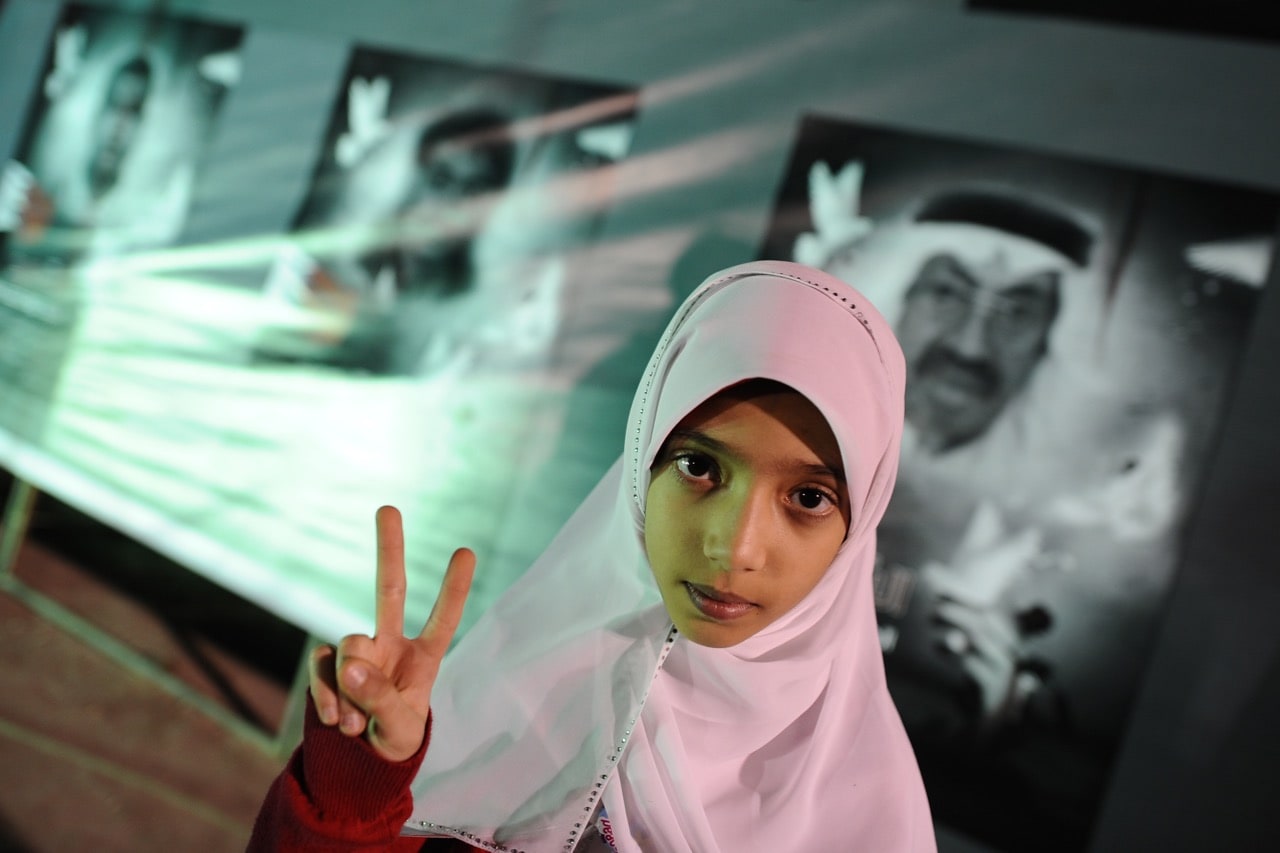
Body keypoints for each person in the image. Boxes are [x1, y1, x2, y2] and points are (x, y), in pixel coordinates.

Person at [248, 260, 936, 852]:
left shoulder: (872, 814)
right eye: (699, 465)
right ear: (643, 463)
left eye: (809, 498)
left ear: (861, 520)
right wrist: (358, 781)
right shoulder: (521, 693)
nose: (736, 546)